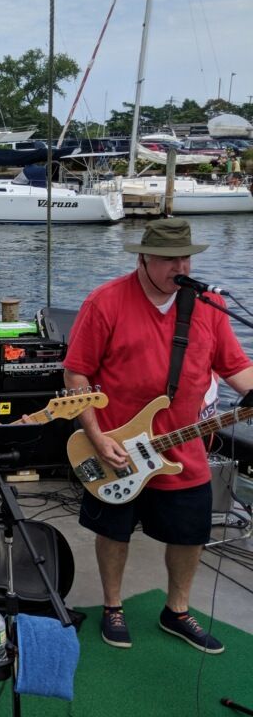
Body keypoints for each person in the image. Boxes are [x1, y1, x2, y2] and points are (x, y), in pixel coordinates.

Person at [64, 219, 253, 655]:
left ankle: (177, 610)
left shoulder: (207, 304)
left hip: (184, 447)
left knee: (190, 534)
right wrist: (96, 436)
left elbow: (235, 367)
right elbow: (76, 373)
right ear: (143, 258)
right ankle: (113, 606)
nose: (180, 267)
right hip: (116, 447)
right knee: (114, 531)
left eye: (185, 257)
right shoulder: (105, 302)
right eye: (169, 258)